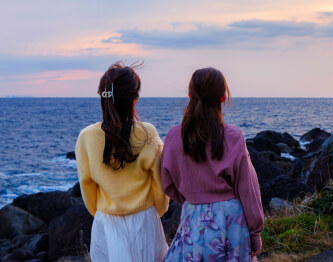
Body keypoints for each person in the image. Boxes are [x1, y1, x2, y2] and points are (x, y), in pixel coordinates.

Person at [161, 67, 264, 262]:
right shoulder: (234, 136)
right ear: (223, 98)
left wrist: (193, 197)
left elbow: (167, 183)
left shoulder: (174, 136)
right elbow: (248, 188)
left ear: (190, 95)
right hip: (231, 221)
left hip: (193, 214)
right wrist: (255, 231)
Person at [75, 62, 170, 262]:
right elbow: (160, 182)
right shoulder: (148, 133)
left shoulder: (87, 137)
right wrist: (158, 210)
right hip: (144, 220)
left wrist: (100, 212)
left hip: (106, 221)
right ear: (134, 100)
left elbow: (86, 183)